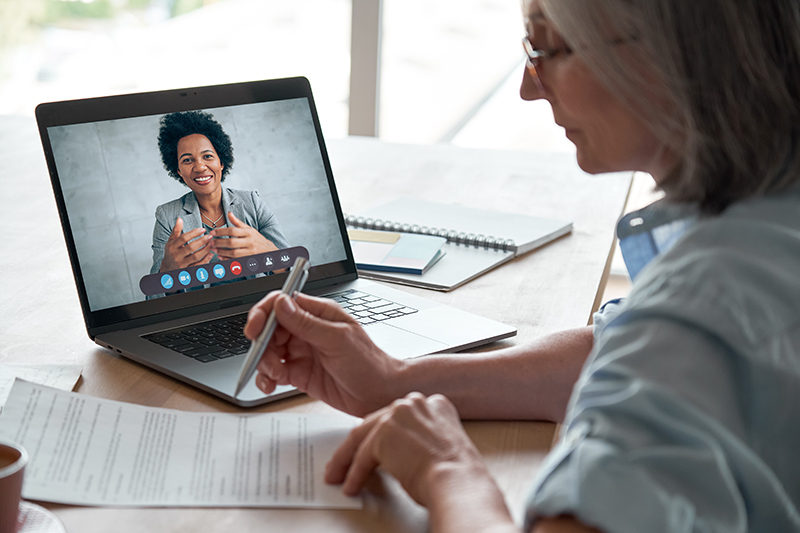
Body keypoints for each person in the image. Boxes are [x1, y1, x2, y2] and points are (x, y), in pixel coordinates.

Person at [243, 0, 800, 531]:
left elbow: (669, 344)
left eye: (545, 48)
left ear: (670, 50)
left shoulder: (702, 301)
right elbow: (619, 349)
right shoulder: (765, 229)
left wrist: (447, 472)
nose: (528, 86)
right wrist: (394, 380)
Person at [149, 110, 289, 277]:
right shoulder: (166, 217)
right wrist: (167, 270)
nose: (200, 167)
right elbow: (154, 298)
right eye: (187, 160)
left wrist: (270, 253)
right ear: (178, 170)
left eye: (207, 156)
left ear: (221, 162)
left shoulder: (252, 203)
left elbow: (292, 273)